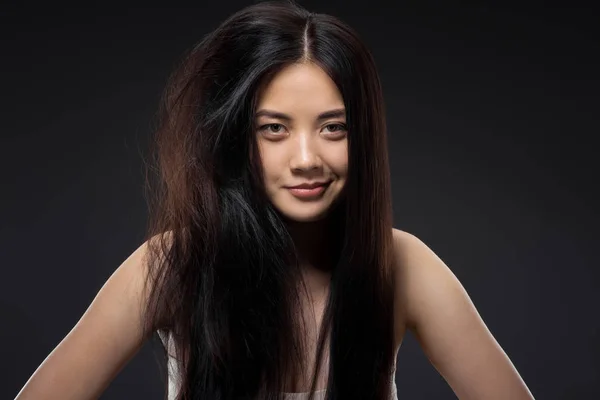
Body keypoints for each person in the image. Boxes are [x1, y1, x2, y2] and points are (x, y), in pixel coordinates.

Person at [15, 1, 535, 399]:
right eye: (274, 129)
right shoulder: (174, 262)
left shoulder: (403, 265)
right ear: (237, 136)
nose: (306, 157)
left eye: (334, 127)